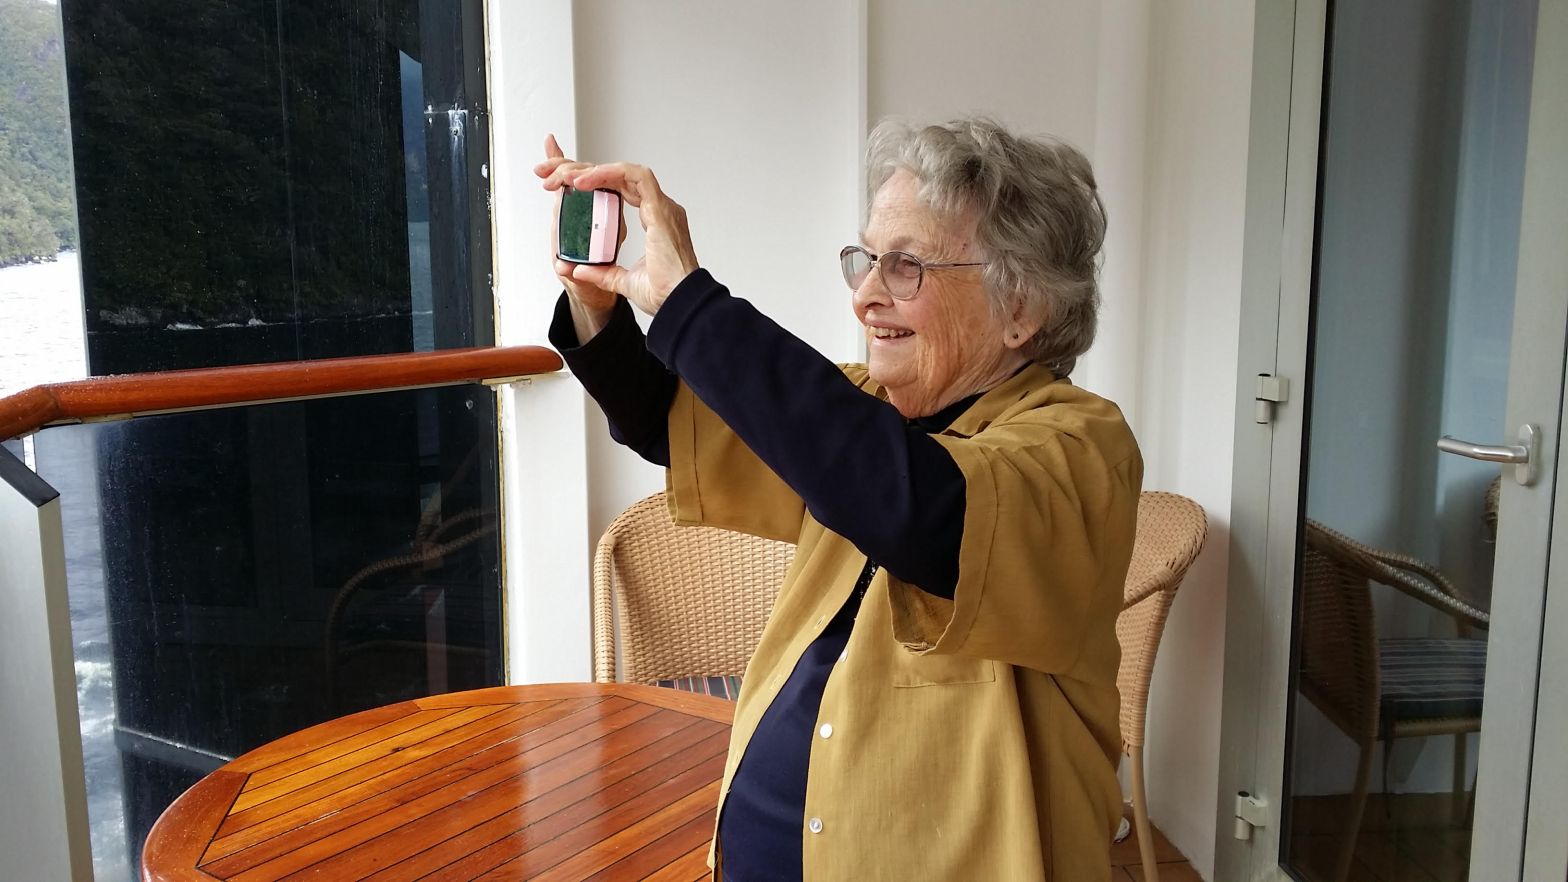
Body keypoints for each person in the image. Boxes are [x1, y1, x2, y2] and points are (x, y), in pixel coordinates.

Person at [539, 118, 1141, 881]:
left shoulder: (1084, 448)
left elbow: (918, 508)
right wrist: (597, 298)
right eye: (864, 260)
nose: (864, 297)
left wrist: (691, 302)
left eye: (905, 266)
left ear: (1021, 308)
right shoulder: (870, 415)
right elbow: (673, 419)